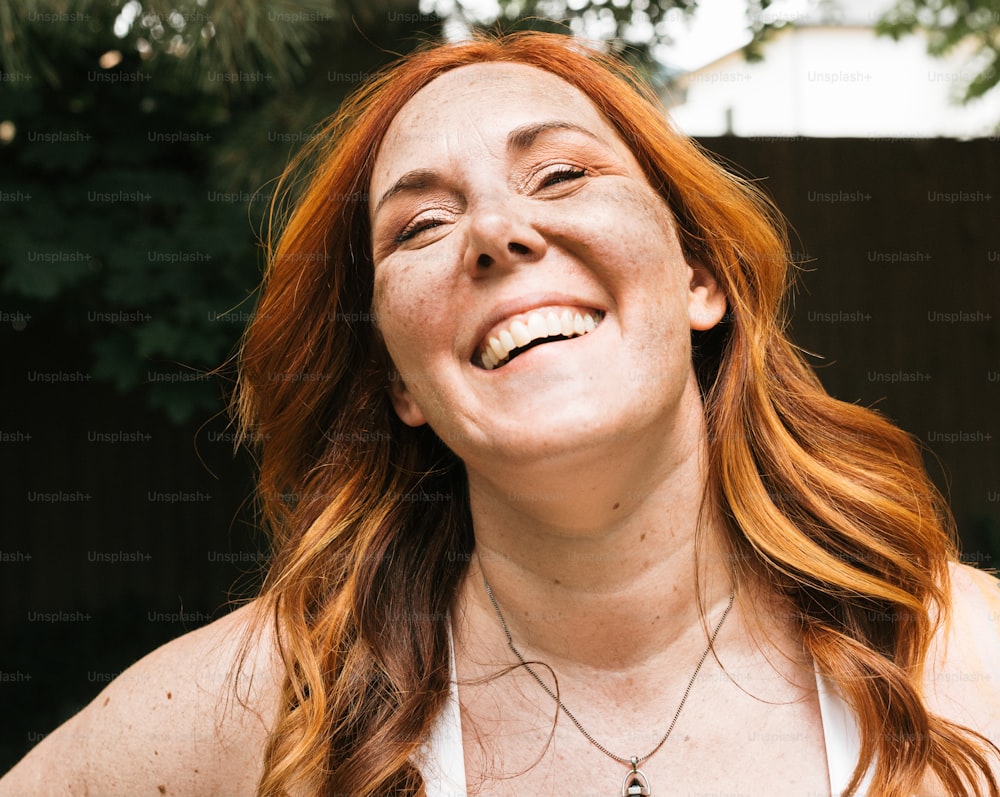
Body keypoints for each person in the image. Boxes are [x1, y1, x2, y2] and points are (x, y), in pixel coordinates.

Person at [2, 30, 998, 797]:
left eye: (560, 173)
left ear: (700, 278)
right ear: (400, 383)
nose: (497, 231)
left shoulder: (969, 666)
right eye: (422, 224)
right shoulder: (268, 702)